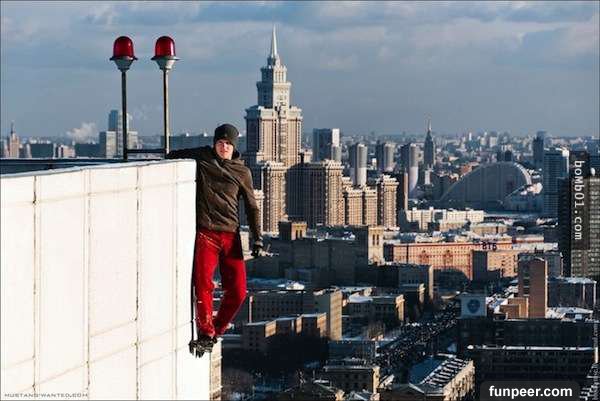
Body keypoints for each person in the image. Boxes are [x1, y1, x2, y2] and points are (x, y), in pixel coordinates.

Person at [166, 123, 263, 355]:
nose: (224, 147)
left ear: (234, 147)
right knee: (203, 284)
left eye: (228, 143)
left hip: (231, 236)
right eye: (220, 142)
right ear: (214, 144)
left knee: (238, 291)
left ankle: (216, 331)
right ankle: (206, 333)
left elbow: (252, 207)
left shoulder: (242, 172)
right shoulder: (203, 157)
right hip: (206, 233)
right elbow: (174, 155)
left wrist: (257, 239)